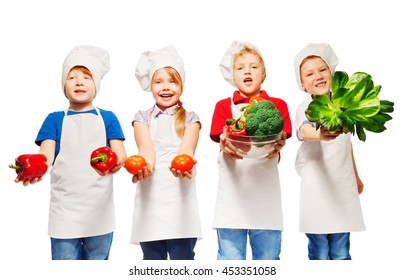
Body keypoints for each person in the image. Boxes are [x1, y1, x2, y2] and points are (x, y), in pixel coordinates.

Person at [14, 45, 127, 260]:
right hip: (64, 211)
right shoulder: (54, 119)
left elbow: (120, 152)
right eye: (72, 77)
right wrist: (32, 170)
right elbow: (45, 156)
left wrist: (117, 162)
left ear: (97, 85)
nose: (79, 82)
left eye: (86, 77)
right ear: (63, 85)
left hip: (99, 210)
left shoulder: (108, 118)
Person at [209, 41, 292, 260]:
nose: (247, 70)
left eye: (254, 67)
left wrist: (281, 140)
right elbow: (221, 138)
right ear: (232, 76)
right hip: (231, 198)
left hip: (266, 198)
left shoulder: (277, 105)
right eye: (240, 67)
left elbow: (282, 135)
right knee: (229, 262)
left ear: (263, 74)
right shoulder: (223, 106)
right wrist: (225, 144)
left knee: (268, 263)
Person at [294, 43, 366, 260]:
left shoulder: (345, 106)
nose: (318, 76)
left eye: (322, 69)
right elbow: (303, 131)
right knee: (319, 250)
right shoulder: (305, 107)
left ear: (332, 74)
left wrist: (356, 177)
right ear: (303, 85)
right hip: (316, 188)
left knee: (341, 249)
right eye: (309, 73)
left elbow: (347, 144)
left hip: (341, 186)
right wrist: (320, 135)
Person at [130, 45, 202, 260]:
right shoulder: (142, 117)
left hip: (181, 196)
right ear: (150, 86)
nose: (165, 87)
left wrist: (184, 166)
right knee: (152, 262)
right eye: (158, 81)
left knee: (183, 259)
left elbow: (186, 151)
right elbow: (146, 150)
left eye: (172, 81)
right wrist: (145, 167)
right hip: (150, 196)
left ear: (181, 86)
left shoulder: (191, 118)